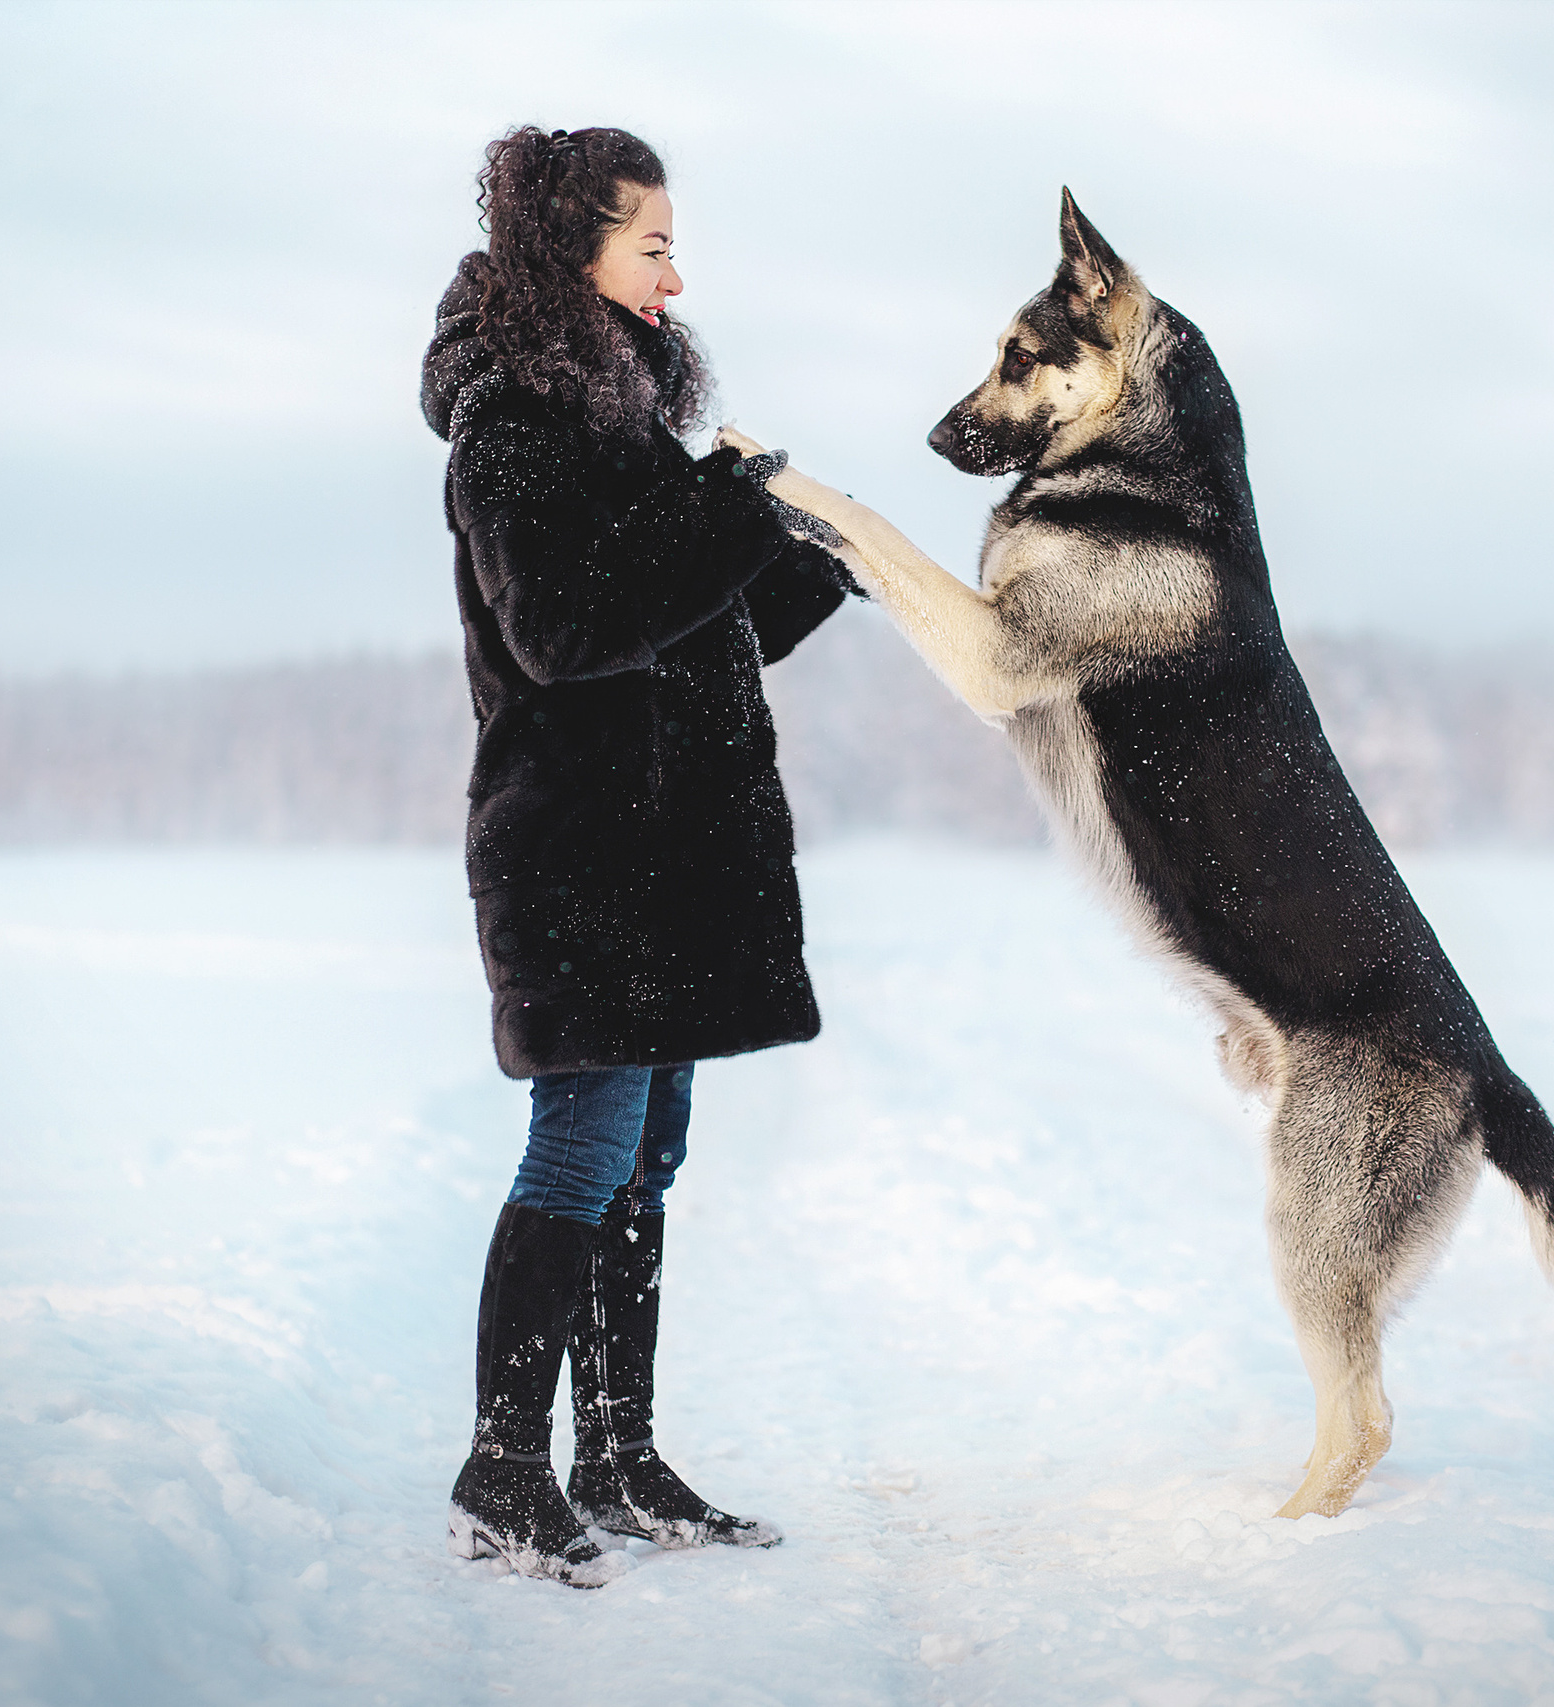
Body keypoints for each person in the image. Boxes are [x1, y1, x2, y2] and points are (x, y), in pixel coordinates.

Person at [419, 124, 853, 1589]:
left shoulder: (622, 428)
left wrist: (799, 564)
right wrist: (722, 520)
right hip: (579, 855)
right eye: (653, 243)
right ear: (576, 255)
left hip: (664, 858)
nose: (678, 272)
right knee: (584, 1147)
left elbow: (683, 632)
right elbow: (564, 631)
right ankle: (501, 1469)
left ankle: (613, 1456)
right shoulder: (515, 423)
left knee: (644, 1159)